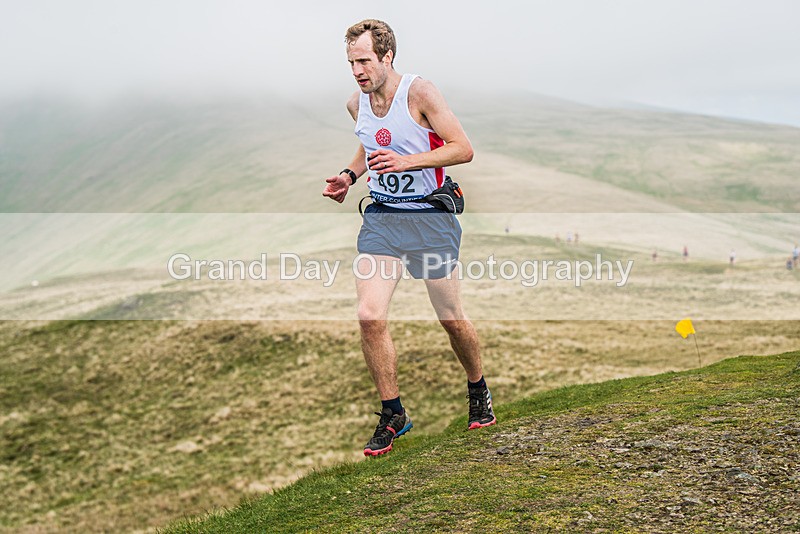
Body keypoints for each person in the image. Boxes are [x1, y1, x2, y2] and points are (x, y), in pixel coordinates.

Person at [322, 19, 496, 457]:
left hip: (430, 218)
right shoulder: (355, 103)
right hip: (382, 218)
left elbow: (462, 148)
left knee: (451, 316)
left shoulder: (420, 93)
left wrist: (408, 163)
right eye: (351, 63)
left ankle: (478, 389)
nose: (358, 71)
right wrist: (349, 175)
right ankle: (392, 413)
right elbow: (367, 144)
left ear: (387, 57)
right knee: (369, 314)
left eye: (364, 61)